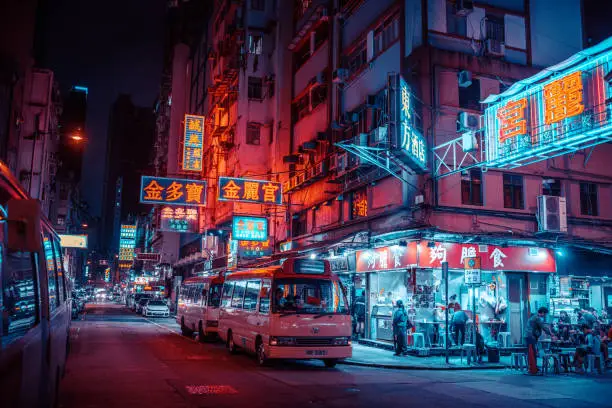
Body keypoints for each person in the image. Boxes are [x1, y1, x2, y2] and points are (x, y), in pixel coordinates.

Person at [524, 307, 553, 375]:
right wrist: (551, 334)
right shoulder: (537, 318)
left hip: (529, 337)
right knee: (532, 354)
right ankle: (533, 370)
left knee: (533, 353)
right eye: (545, 314)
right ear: (542, 312)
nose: (545, 315)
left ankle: (533, 369)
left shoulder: (534, 316)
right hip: (530, 337)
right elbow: (543, 327)